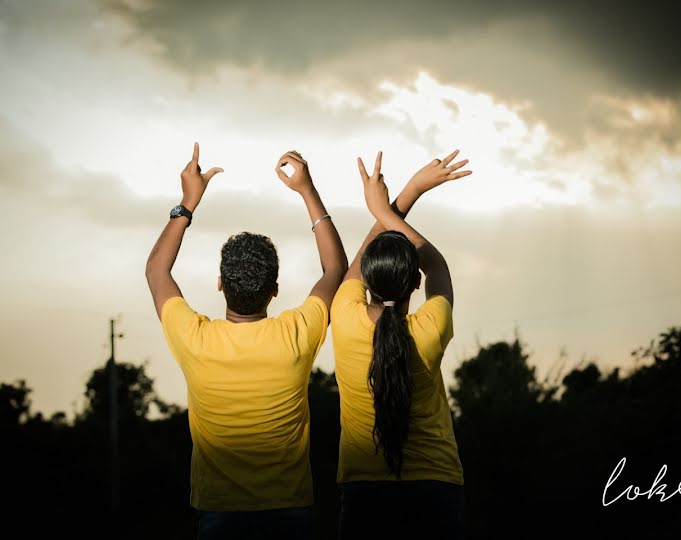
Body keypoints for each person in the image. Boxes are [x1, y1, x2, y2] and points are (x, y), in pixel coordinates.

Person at [145, 143, 347, 539]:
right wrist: (308, 192)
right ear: (274, 289)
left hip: (219, 517)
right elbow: (335, 267)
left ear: (220, 285)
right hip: (290, 514)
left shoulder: (196, 340)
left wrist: (187, 204)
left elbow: (156, 271)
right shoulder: (295, 335)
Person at [330, 150, 472, 539]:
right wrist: (393, 204)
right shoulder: (431, 327)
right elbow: (438, 266)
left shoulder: (343, 318)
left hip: (364, 490)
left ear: (367, 283)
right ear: (415, 284)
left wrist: (396, 200)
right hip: (436, 486)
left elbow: (363, 258)